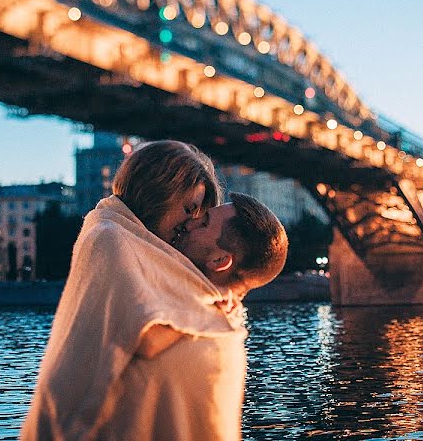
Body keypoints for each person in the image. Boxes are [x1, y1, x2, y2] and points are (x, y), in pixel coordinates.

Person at [21, 140, 288, 441]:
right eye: (190, 209)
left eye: (199, 215)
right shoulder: (109, 236)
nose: (190, 223)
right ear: (158, 194)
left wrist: (220, 297)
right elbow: (143, 329)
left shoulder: (146, 247)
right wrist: (208, 313)